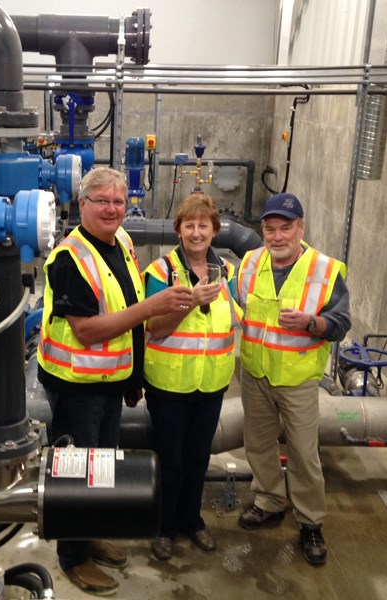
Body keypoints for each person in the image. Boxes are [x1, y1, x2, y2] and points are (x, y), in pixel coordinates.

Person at [37, 167, 193, 596]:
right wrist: (152, 308)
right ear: (82, 204)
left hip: (110, 381)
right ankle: (73, 557)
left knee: (101, 467)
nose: (111, 209)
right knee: (75, 474)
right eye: (101, 200)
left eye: (118, 202)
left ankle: (92, 531)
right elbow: (87, 330)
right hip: (76, 387)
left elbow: (126, 307)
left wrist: (133, 375)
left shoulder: (121, 242)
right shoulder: (68, 258)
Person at [236, 192, 351, 566]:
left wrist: (312, 324)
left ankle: (310, 522)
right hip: (255, 374)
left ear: (300, 228)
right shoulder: (250, 263)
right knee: (258, 444)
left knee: (303, 453)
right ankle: (269, 499)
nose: (277, 236)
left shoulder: (324, 269)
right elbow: (238, 307)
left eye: (286, 228)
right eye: (270, 229)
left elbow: (341, 322)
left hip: (298, 379)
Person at [142, 194, 243, 561]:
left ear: (215, 231)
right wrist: (189, 303)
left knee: (199, 456)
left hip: (212, 384)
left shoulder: (228, 273)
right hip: (169, 384)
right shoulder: (161, 271)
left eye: (204, 225)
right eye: (190, 226)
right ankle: (165, 527)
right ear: (179, 231)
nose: (197, 233)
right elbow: (153, 327)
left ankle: (191, 521)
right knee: (170, 459)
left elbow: (233, 319)